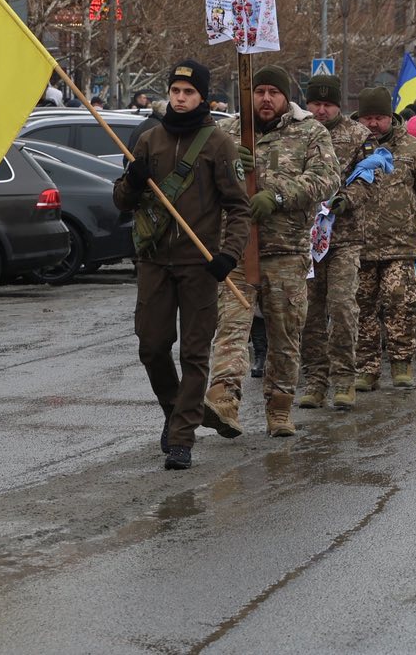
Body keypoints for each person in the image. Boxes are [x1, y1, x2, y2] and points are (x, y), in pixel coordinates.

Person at [113, 60, 251, 470]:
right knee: (152, 346)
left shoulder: (217, 144)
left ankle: (181, 438)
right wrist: (133, 182)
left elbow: (239, 208)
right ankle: (175, 410)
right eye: (175, 91)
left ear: (202, 97)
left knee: (194, 354)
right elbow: (122, 200)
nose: (181, 98)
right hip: (154, 260)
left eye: (189, 92)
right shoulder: (149, 140)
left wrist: (230, 254)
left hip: (200, 263)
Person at [204, 65, 339, 439]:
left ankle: (279, 409)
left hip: (286, 251)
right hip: (235, 248)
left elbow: (327, 179)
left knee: (284, 334)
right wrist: (231, 167)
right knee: (231, 328)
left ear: (285, 97)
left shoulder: (309, 131)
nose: (265, 99)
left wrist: (276, 194)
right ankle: (223, 400)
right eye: (259, 91)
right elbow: (205, 178)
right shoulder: (228, 131)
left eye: (273, 93)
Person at [349, 87, 416, 388]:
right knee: (361, 307)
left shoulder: (412, 149)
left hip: (400, 245)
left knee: (400, 304)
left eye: (379, 117)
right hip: (356, 244)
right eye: (368, 118)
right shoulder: (348, 147)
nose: (374, 124)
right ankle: (366, 368)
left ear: (389, 117)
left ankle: (402, 363)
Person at [298, 74, 370, 410]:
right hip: (304, 237)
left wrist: (346, 199)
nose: (322, 110)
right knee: (309, 312)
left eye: (328, 105)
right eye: (316, 104)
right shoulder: (297, 132)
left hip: (343, 237)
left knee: (341, 306)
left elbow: (371, 175)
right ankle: (315, 379)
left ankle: (344, 377)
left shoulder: (358, 135)